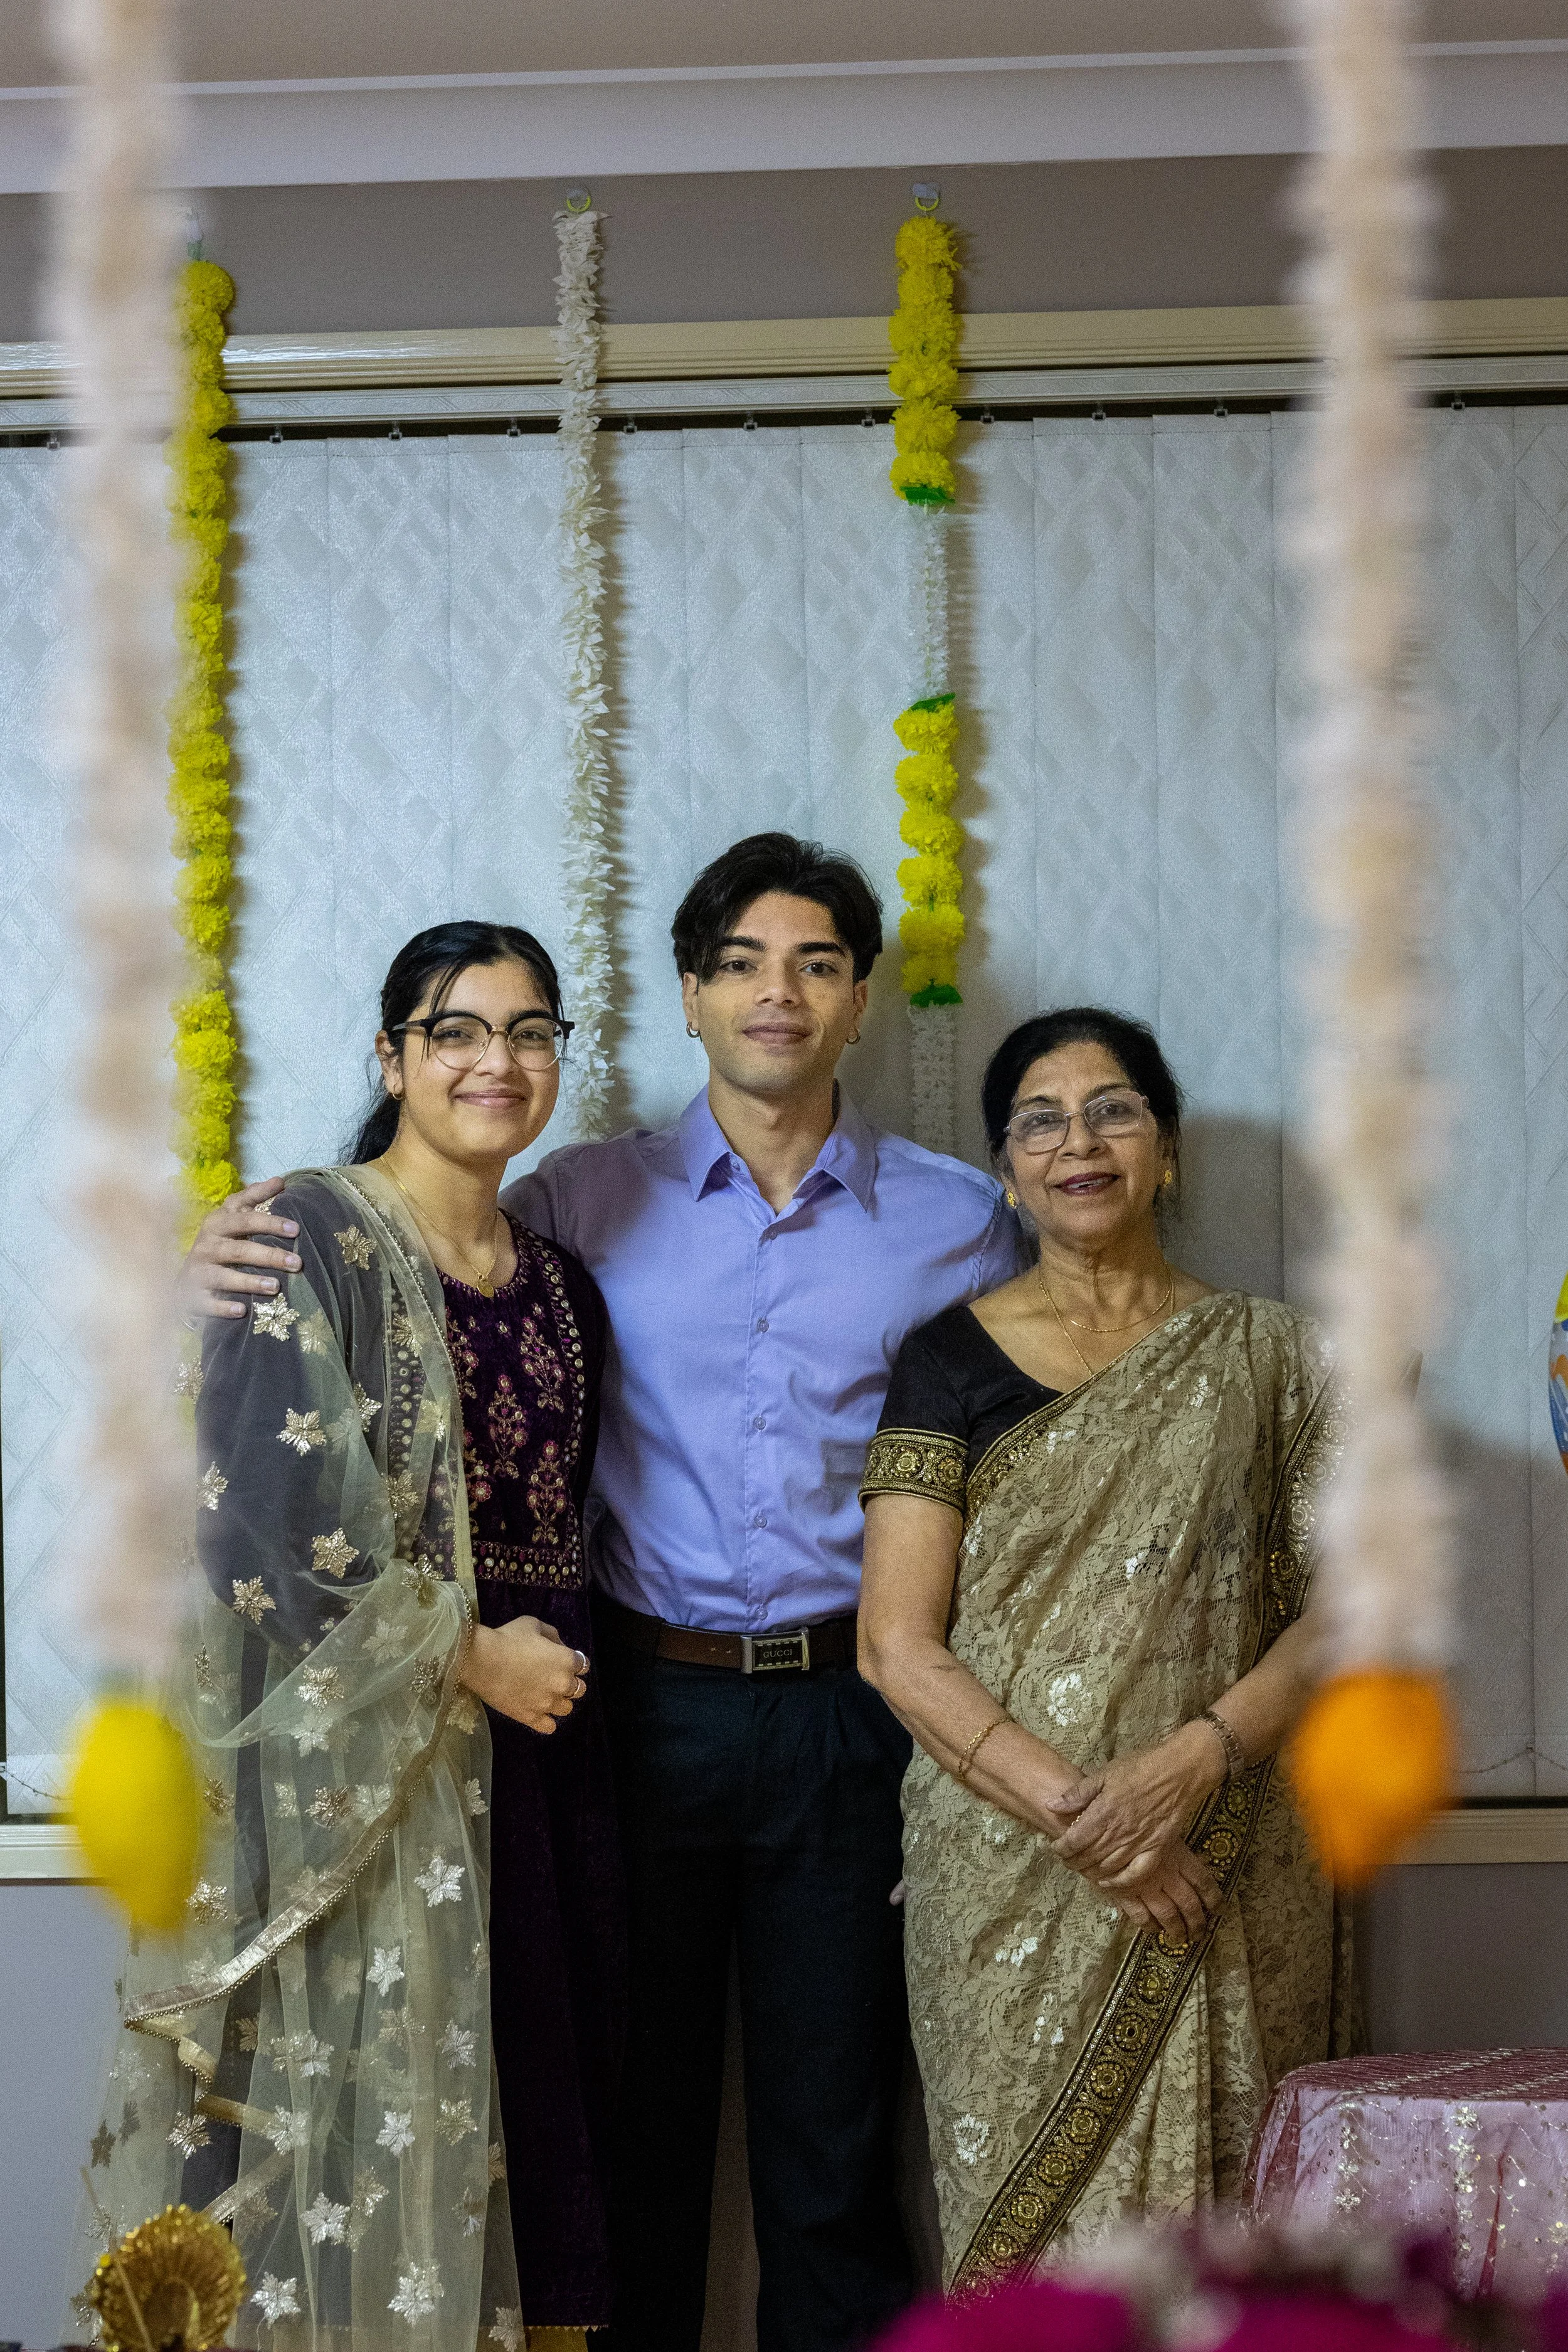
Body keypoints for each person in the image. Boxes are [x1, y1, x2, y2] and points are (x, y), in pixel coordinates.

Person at [183, 833, 1024, 2352]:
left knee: (830, 2143)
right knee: (617, 2133)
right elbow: (391, 1270)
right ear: (689, 996)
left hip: (852, 1715)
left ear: (856, 999)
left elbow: (1049, 1422)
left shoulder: (957, 1221)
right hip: (628, 1713)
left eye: (816, 963)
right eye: (743, 964)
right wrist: (223, 1256)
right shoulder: (576, 1201)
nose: (779, 994)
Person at [97, 920, 621, 2352]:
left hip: (550, 1759)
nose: (496, 1062)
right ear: (391, 1058)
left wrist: (530, 1676)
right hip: (375, 1762)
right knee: (352, 2131)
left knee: (536, 2112)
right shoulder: (307, 1237)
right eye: (456, 1031)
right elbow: (264, 1526)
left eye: (528, 1032)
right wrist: (470, 1656)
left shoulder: (564, 1284)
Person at [857, 1007, 1354, 2290]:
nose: (1076, 1141)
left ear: (1167, 1151)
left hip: (1225, 1853)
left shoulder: (1271, 1360)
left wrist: (1191, 1763)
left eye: (1112, 1109)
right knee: (1024, 2250)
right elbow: (895, 1648)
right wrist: (1091, 1818)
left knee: (1231, 2241)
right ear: (1008, 1171)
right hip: (1010, 1871)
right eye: (1039, 1120)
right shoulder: (943, 1362)